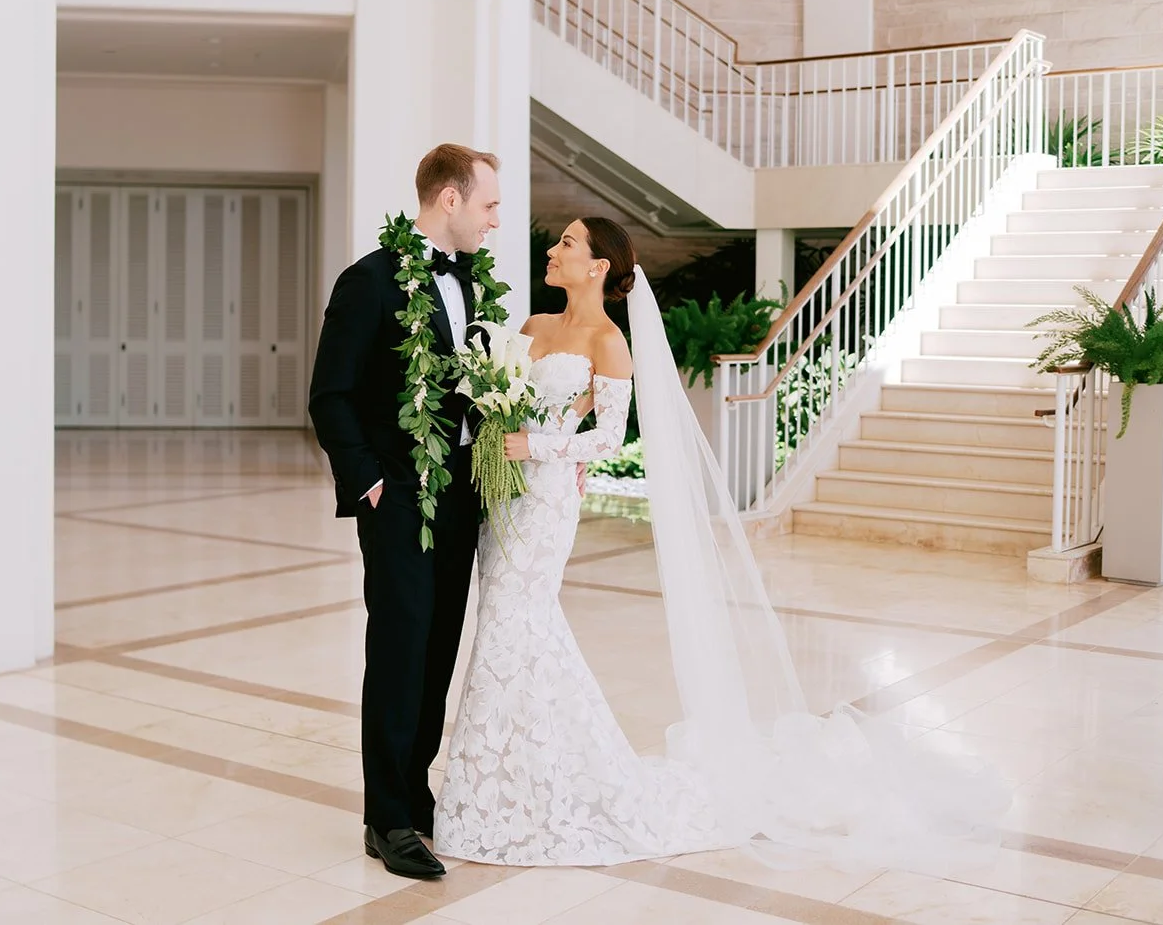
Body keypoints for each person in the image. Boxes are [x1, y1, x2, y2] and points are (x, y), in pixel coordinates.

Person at [433, 217, 1009, 870]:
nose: (553, 249)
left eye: (567, 243)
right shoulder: (534, 328)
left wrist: (535, 445)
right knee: (505, 627)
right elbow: (500, 400)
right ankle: (501, 777)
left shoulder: (609, 341)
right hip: (505, 499)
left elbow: (613, 438)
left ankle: (526, 780)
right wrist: (499, 428)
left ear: (598, 266)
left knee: (519, 623)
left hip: (546, 504)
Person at [307, 143, 502, 880]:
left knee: (439, 645)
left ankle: (415, 800)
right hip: (398, 496)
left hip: (460, 497)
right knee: (399, 648)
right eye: (488, 204)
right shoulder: (370, 281)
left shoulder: (472, 284)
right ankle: (385, 816)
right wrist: (370, 484)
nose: (494, 219)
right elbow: (330, 394)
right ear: (448, 200)